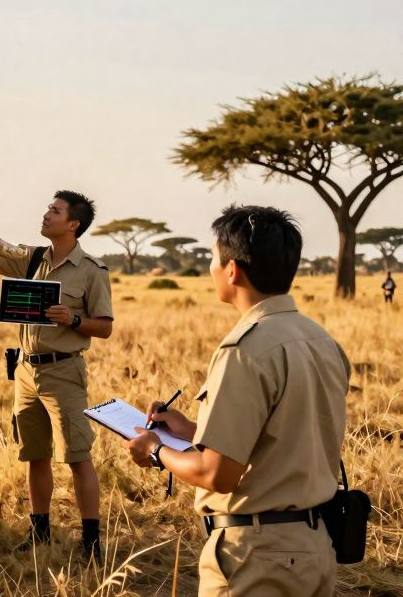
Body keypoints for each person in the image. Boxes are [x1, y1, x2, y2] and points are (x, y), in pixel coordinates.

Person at [123, 205, 350, 596]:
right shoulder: (321, 340)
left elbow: (217, 475)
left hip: (258, 555)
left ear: (232, 270)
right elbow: (284, 438)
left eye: (213, 257)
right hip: (315, 547)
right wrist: (192, 431)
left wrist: (156, 449)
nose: (210, 267)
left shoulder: (244, 350)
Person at [0, 190, 114, 561]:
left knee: (78, 456)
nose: (47, 214)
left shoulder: (92, 271)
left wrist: (74, 320)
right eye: (49, 208)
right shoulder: (32, 260)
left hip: (64, 371)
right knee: (35, 455)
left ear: (73, 224)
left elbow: (105, 327)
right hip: (25, 371)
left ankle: (91, 542)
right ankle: (39, 532)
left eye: (56, 210)